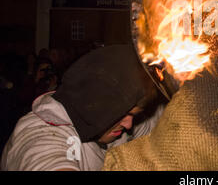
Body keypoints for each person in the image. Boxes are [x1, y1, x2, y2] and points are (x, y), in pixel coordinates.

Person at [1, 45, 164, 171]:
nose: (129, 124)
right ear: (97, 101)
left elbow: (162, 119)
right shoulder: (40, 133)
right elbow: (45, 159)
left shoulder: (115, 123)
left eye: (133, 115)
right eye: (125, 114)